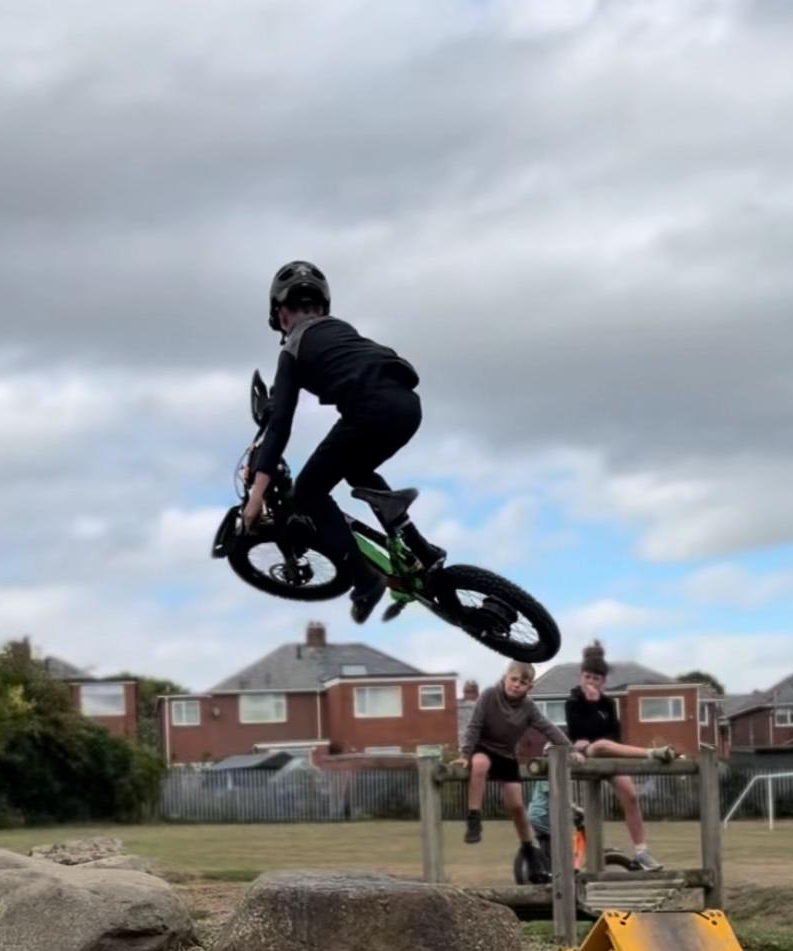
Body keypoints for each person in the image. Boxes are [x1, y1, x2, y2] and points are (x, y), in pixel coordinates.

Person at [241, 260, 437, 624]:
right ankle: (419, 547)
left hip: (369, 412)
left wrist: (256, 498)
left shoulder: (292, 349)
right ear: (323, 306)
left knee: (308, 492)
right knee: (357, 468)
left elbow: (280, 426)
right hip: (407, 407)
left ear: (280, 312)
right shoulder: (340, 330)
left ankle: (365, 581)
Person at [561, 641, 677, 871]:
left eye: (596, 678)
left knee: (631, 796)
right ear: (580, 677)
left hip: (608, 752)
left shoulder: (608, 704)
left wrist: (597, 712)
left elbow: (614, 733)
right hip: (586, 753)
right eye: (587, 677)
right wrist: (591, 708)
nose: (591, 682)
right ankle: (651, 753)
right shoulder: (572, 702)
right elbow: (577, 732)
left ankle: (642, 852)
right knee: (600, 745)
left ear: (603, 682)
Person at [458, 661, 571, 882]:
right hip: (484, 747)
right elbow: (474, 726)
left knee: (517, 805)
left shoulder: (528, 707)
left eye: (523, 682)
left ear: (529, 687)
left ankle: (529, 848)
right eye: (514, 679)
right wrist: (465, 754)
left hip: (507, 755)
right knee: (479, 765)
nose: (517, 685)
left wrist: (570, 749)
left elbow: (547, 727)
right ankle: (474, 818)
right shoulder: (489, 695)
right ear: (505, 678)